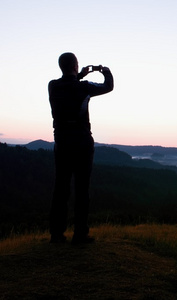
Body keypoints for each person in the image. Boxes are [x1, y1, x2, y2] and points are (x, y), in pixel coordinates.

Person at [48, 52, 113, 244]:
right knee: (82, 189)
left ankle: (56, 234)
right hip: (82, 143)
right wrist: (106, 71)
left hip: (62, 142)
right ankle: (80, 234)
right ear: (76, 65)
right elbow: (108, 87)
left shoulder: (53, 86)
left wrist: (79, 75)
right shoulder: (83, 87)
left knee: (61, 189)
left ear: (61, 66)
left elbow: (68, 83)